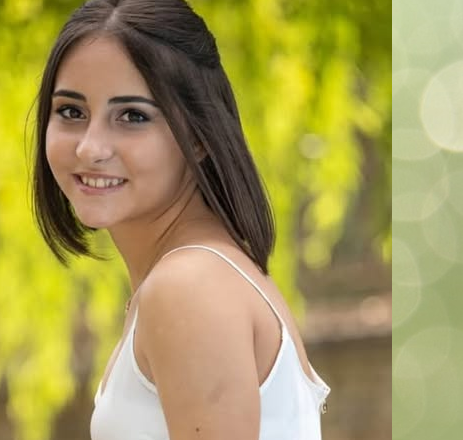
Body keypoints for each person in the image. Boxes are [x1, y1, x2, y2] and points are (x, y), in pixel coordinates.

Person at [31, 0, 330, 439]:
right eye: (71, 112)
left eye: (132, 116)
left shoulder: (189, 286)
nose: (90, 148)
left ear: (200, 135)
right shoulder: (199, 274)